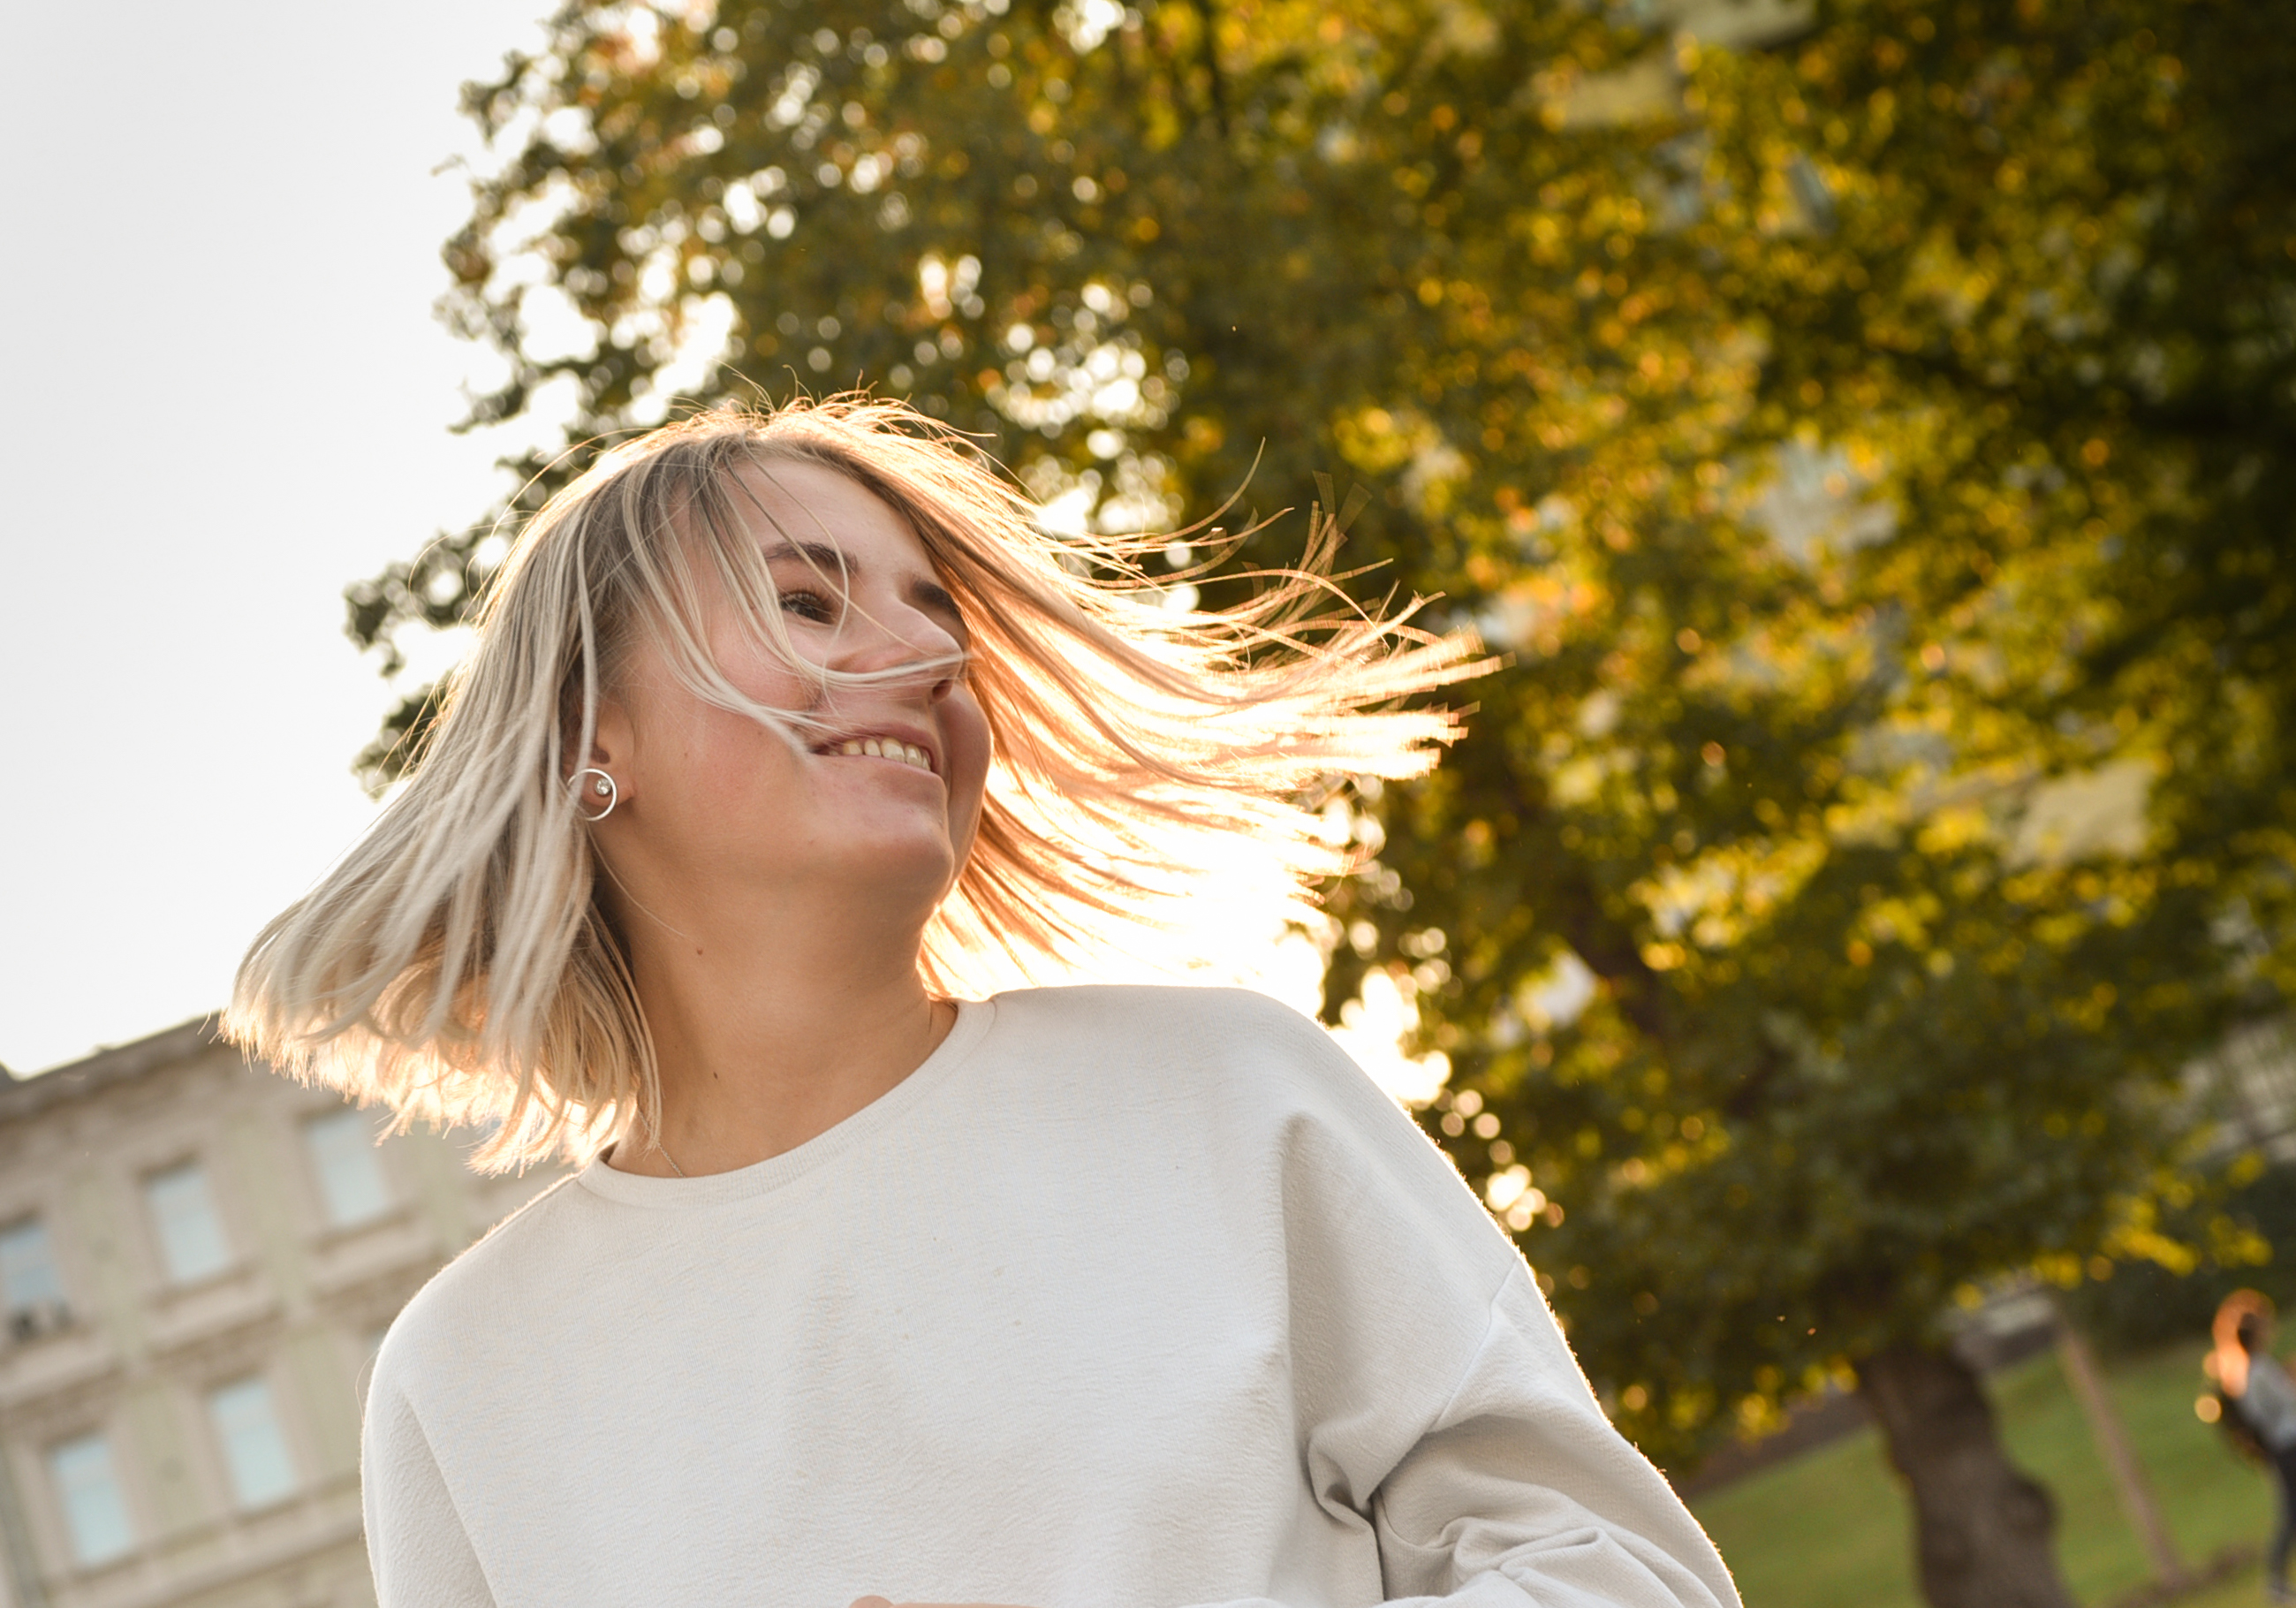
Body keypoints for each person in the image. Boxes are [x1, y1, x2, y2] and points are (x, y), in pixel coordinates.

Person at [229, 398, 1739, 1608]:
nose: (928, 654)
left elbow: (1613, 1567)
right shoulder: (465, 1384)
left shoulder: (1223, 1093)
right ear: (586, 736)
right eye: (810, 604)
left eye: (934, 613)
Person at [2212, 1292, 2296, 1603]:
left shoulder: (2254, 1369)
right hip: (2288, 1447)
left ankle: (2275, 1581)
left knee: (2291, 1514)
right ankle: (2275, 1581)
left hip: (2287, 1446)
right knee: (2291, 1516)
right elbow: (2277, 1410)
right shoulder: (2257, 1370)